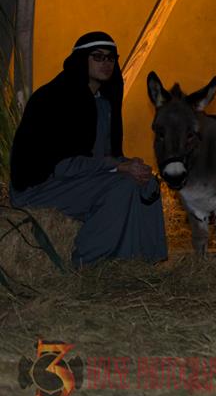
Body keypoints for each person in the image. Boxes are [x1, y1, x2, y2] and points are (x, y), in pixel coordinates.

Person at [9, 31, 167, 267]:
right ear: (82, 59)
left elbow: (104, 155)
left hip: (80, 177)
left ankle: (143, 263)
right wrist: (117, 166)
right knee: (121, 187)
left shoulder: (103, 102)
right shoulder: (55, 99)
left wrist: (129, 164)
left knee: (147, 183)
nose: (106, 63)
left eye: (111, 58)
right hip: (41, 186)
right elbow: (61, 165)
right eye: (98, 57)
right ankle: (87, 264)